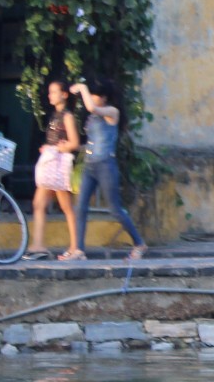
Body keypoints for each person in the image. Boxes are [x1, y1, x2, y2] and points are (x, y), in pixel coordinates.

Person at [66, 79, 147, 261]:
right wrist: (76, 147)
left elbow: (92, 108)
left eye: (94, 95)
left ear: (103, 98)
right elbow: (92, 142)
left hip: (105, 166)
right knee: (80, 207)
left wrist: (82, 88)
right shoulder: (93, 117)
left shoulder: (112, 112)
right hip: (89, 165)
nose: (91, 98)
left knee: (115, 209)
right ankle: (79, 249)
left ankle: (139, 243)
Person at [27, 79, 81, 260]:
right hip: (50, 162)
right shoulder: (54, 115)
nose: (50, 95)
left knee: (66, 206)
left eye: (54, 92)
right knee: (38, 204)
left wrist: (56, 148)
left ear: (64, 94)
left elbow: (74, 143)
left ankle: (75, 247)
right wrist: (48, 148)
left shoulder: (67, 116)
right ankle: (38, 245)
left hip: (59, 164)